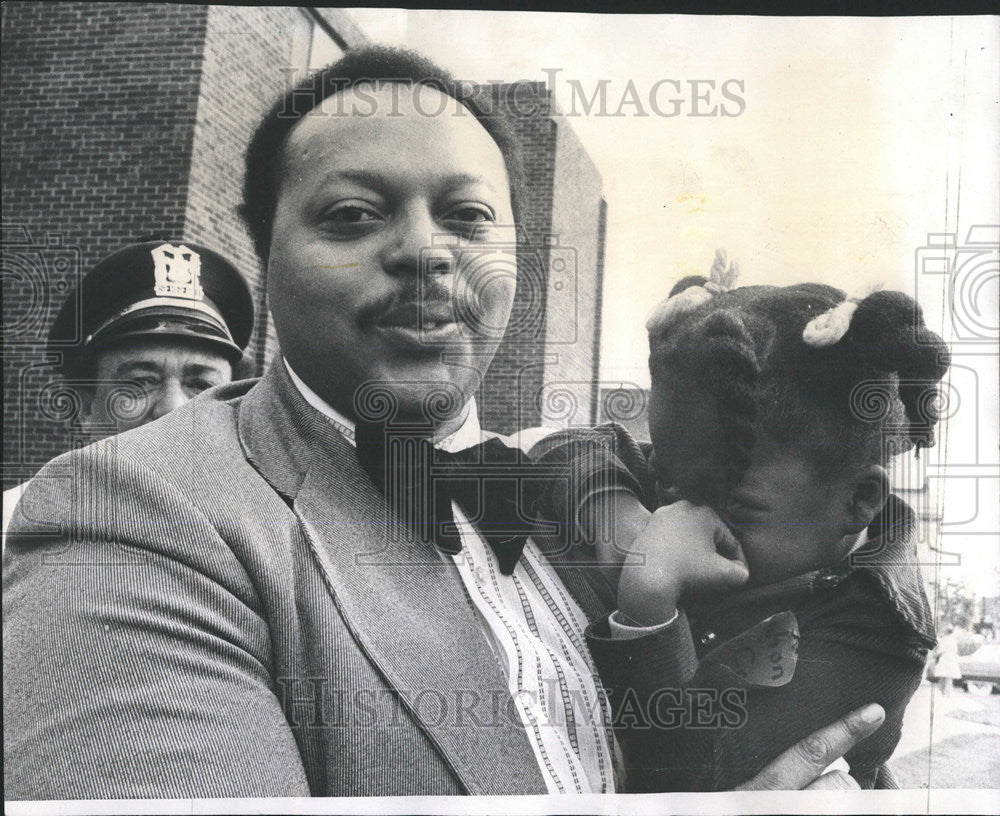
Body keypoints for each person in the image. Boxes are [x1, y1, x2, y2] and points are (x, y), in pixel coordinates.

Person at [4, 46, 887, 799]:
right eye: (353, 213)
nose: (426, 249)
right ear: (263, 247)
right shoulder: (127, 514)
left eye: (467, 216)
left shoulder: (592, 493)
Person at [532, 255, 949, 789]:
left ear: (859, 501)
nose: (679, 518)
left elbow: (695, 781)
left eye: (733, 507)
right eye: (665, 483)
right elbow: (569, 444)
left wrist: (648, 606)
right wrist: (612, 508)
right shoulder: (707, 470)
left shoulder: (878, 634)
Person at [2, 238, 254, 539]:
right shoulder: (13, 529)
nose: (173, 407)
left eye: (201, 384)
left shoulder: (269, 539)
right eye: (140, 382)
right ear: (85, 406)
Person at [931, 623, 962, 696]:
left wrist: (935, 655)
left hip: (945, 658)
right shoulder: (954, 640)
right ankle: (946, 693)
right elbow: (955, 650)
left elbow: (941, 650)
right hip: (951, 659)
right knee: (948, 678)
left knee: (944, 677)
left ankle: (944, 693)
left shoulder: (944, 639)